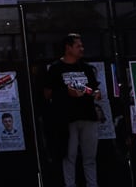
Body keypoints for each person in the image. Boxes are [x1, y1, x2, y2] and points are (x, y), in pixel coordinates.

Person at [42, 33, 100, 187]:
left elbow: (95, 90)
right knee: (69, 156)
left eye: (82, 46)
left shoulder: (86, 68)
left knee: (90, 157)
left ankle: (92, 184)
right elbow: (47, 93)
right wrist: (66, 92)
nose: (82, 49)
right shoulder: (56, 68)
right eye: (78, 46)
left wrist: (93, 93)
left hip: (88, 116)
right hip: (66, 119)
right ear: (68, 48)